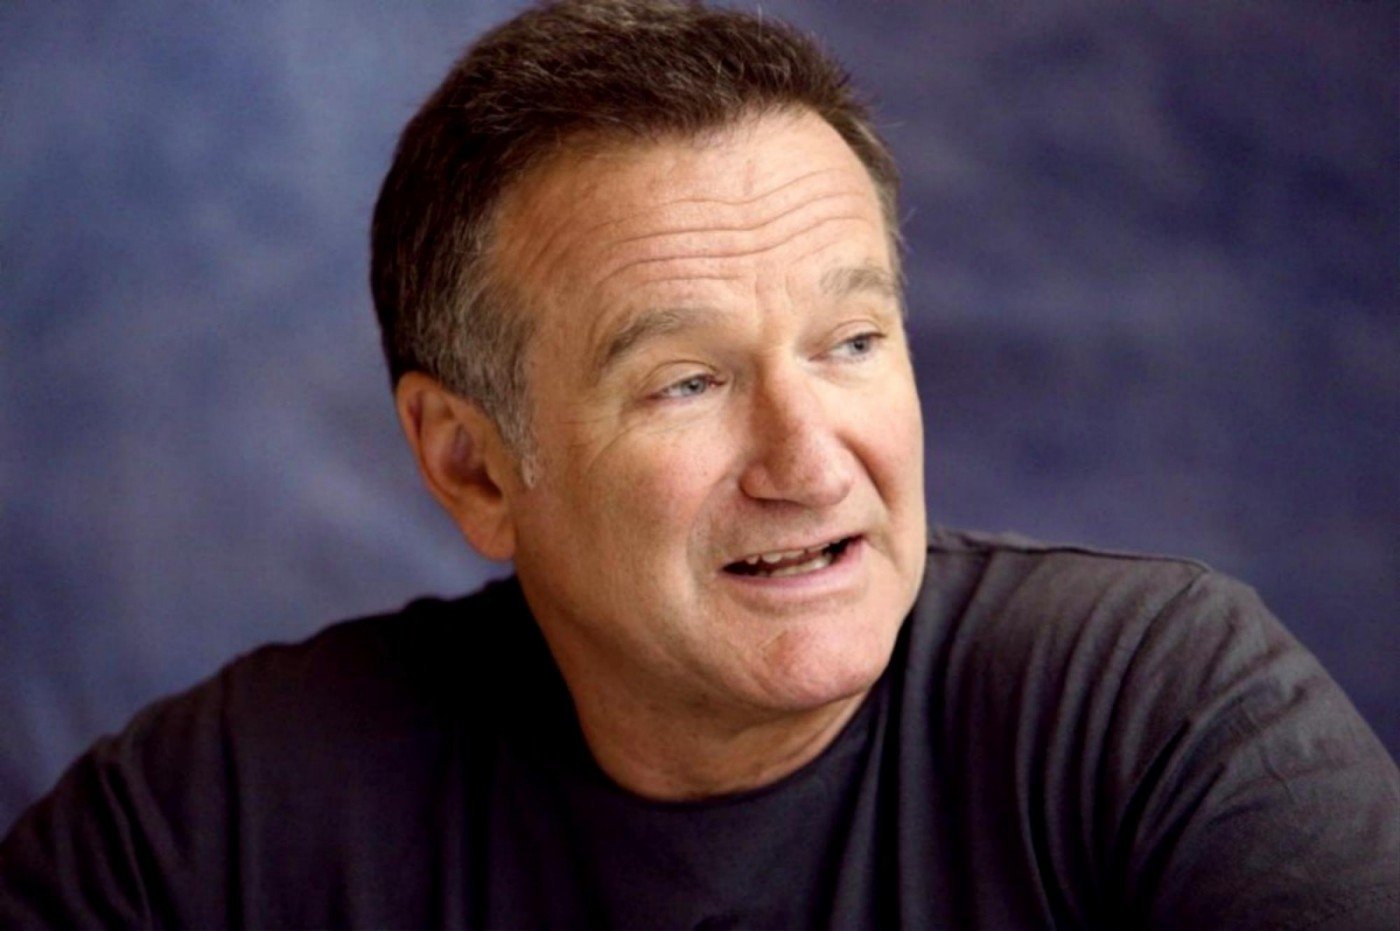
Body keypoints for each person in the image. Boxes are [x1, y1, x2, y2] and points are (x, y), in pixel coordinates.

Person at [2, 1, 1396, 927]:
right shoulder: (221, 823)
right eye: (688, 381)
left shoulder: (1153, 719)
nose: (809, 458)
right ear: (472, 465)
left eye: (851, 344)